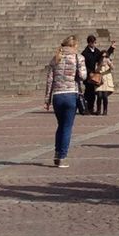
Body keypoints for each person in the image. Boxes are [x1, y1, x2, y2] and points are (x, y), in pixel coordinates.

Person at [44, 35, 86, 167]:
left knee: (61, 125)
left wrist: (47, 99)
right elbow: (83, 76)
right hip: (70, 94)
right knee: (67, 127)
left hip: (57, 95)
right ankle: (62, 156)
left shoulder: (56, 58)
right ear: (74, 45)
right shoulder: (78, 57)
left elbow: (49, 80)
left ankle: (57, 153)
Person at [81, 32, 113, 115]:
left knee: (95, 94)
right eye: (93, 42)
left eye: (95, 42)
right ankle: (87, 108)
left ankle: (92, 109)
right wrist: (89, 72)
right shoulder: (85, 53)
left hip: (96, 75)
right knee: (88, 93)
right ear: (89, 43)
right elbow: (83, 65)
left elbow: (104, 56)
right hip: (89, 76)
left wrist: (111, 49)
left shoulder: (97, 51)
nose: (94, 44)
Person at [94, 50, 113, 115]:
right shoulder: (97, 63)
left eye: (105, 56)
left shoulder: (108, 61)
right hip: (100, 81)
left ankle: (105, 110)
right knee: (99, 96)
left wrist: (109, 63)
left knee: (105, 96)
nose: (104, 58)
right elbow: (96, 70)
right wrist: (100, 65)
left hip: (107, 81)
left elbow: (113, 68)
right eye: (103, 57)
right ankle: (98, 110)